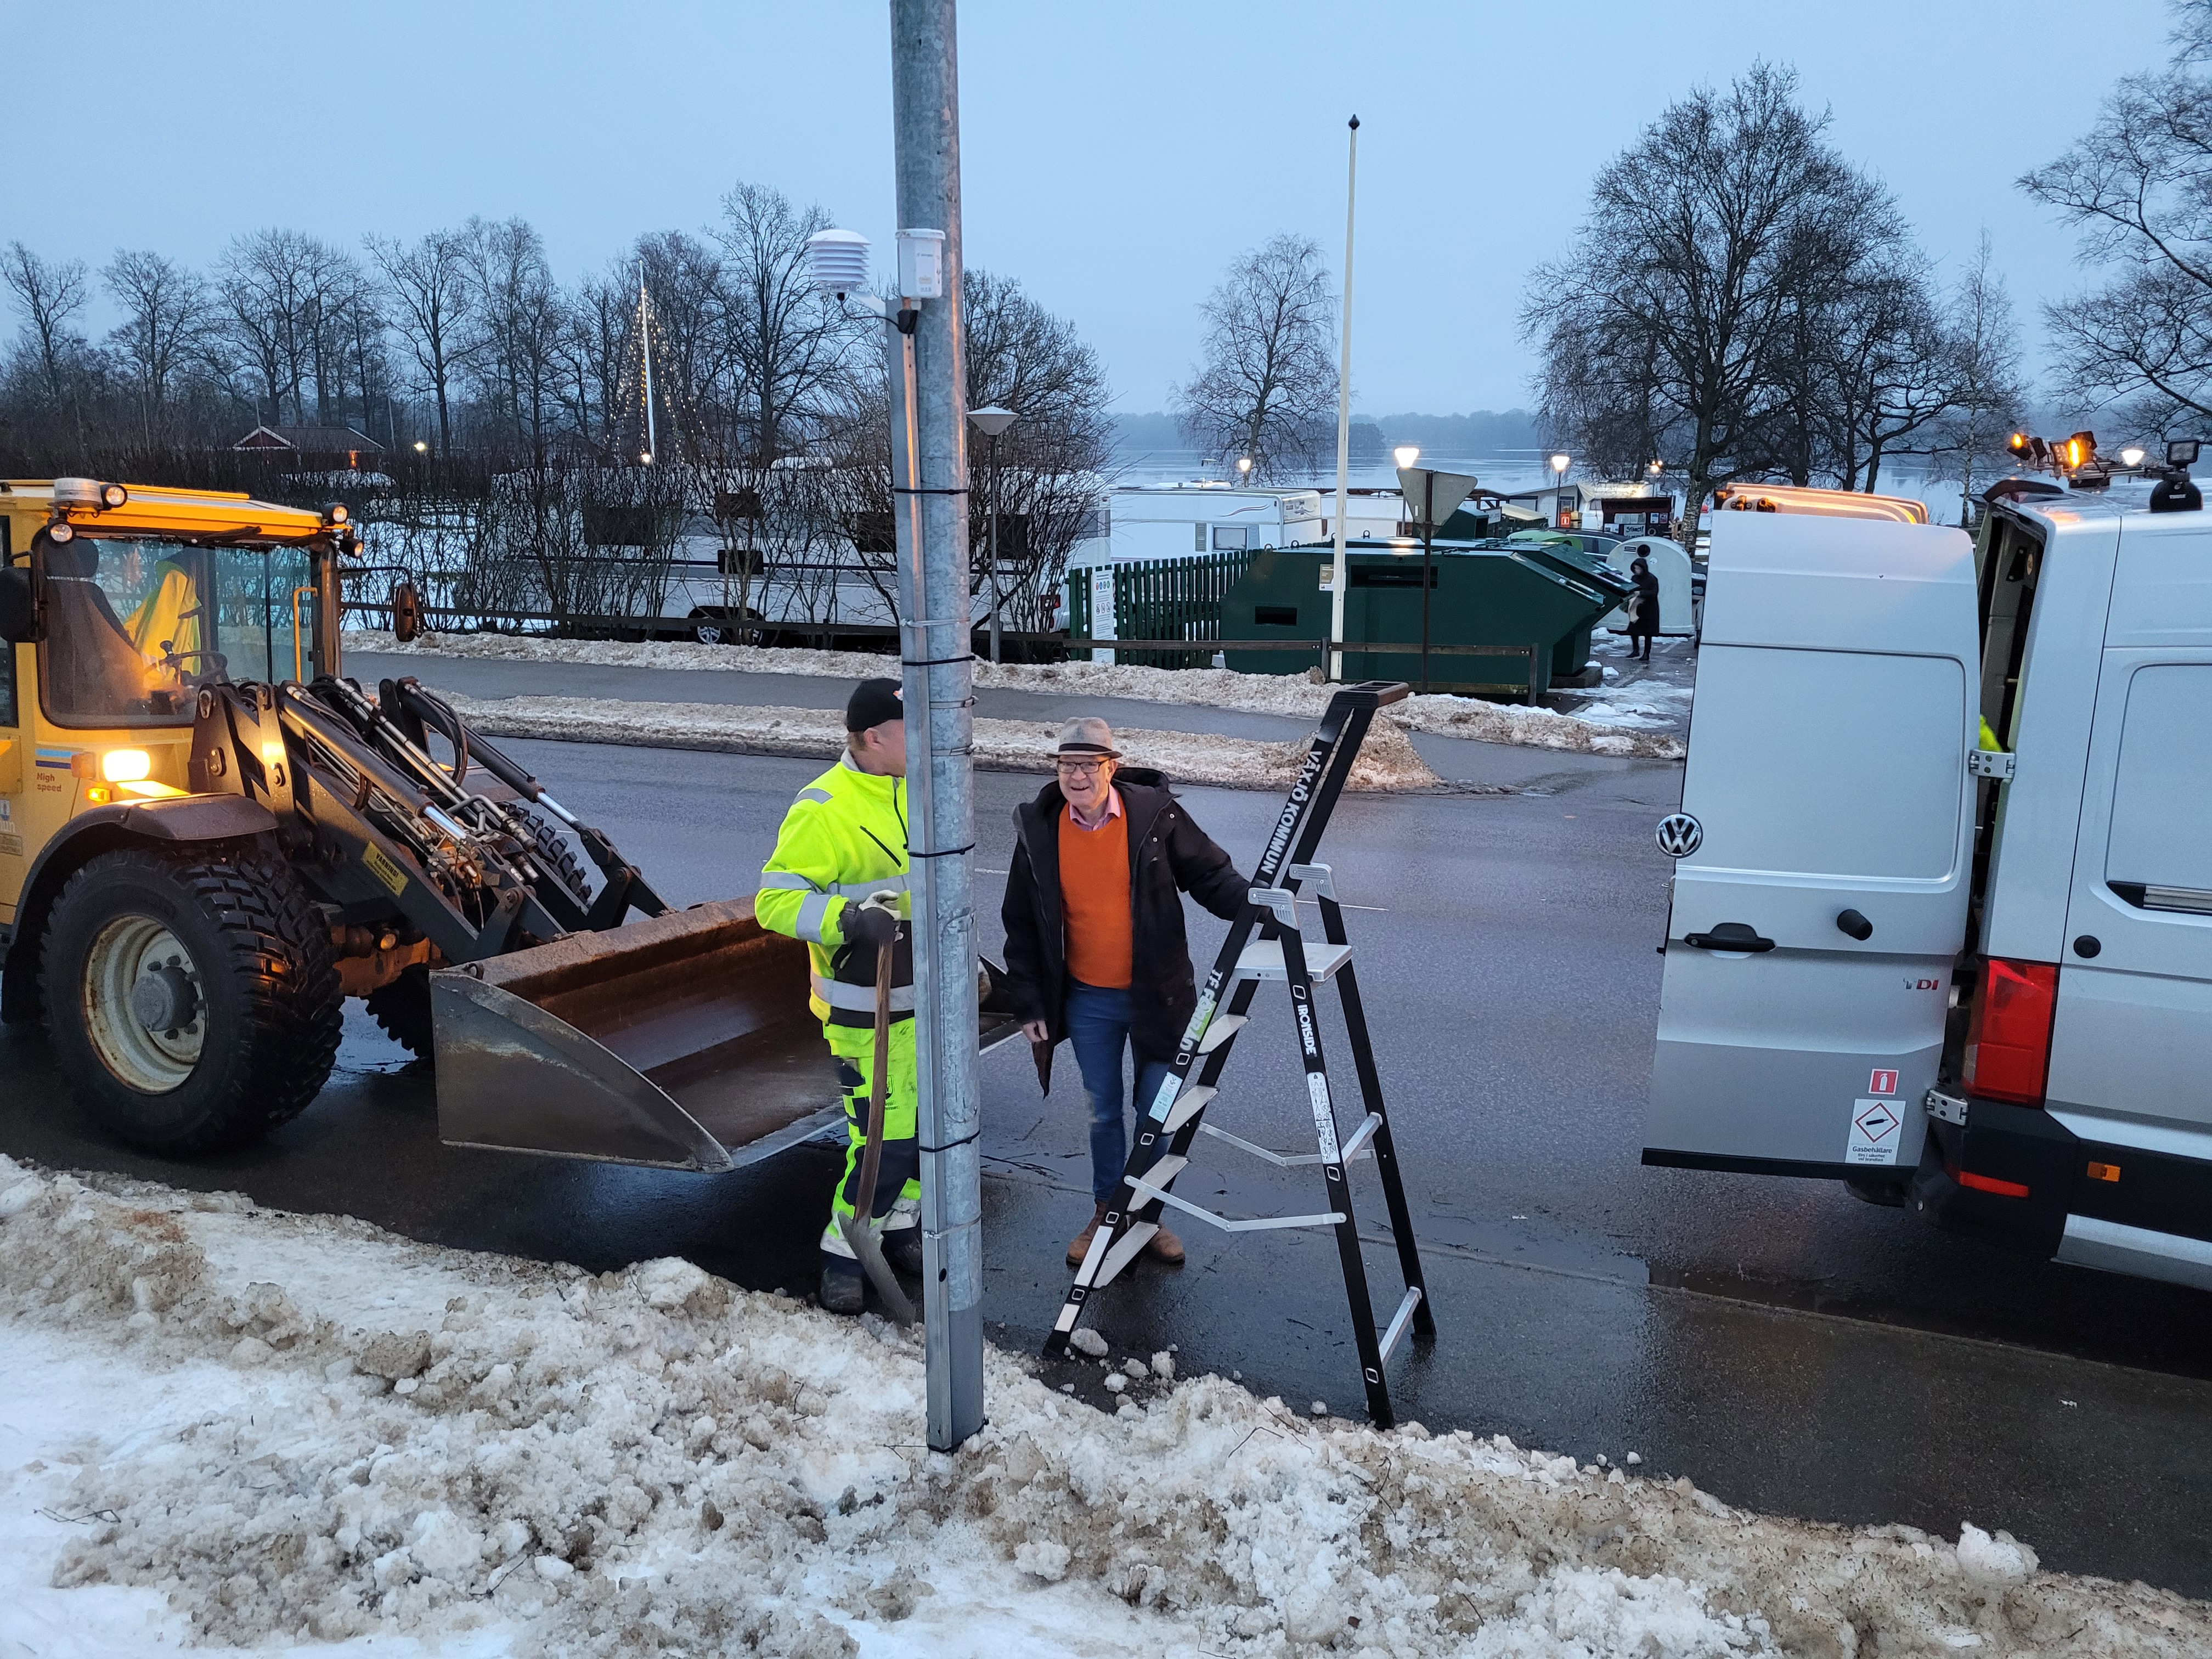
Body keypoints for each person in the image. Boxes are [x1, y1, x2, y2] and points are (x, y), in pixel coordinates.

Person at [1001, 718, 1250, 1267]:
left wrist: (1258, 908)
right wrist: (1030, 1003)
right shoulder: (1040, 829)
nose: (1077, 776)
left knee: (1157, 1113)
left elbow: (1211, 875)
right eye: (1068, 765)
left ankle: (1147, 1214)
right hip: (1088, 1000)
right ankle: (1106, 1213)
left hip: (1158, 997)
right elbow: (1020, 922)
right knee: (1103, 1112)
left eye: (1089, 765)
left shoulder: (1154, 817)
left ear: (1111, 767)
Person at [755, 678, 920, 1315]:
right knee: (883, 1141)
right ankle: (844, 1252)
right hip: (865, 1012)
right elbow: (774, 901)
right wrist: (848, 918)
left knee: (929, 1136)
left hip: (922, 999)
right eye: (913, 729)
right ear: (875, 737)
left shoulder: (912, 788)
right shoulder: (823, 807)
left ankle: (897, 1227)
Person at [1626, 554, 1661, 662]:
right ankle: (1635, 650)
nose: (1636, 571)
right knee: (1633, 630)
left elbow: (1654, 593)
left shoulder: (1652, 579)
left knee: (1648, 633)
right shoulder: (1634, 578)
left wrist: (1641, 593)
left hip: (1649, 610)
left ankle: (1647, 653)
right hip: (1637, 608)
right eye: (1635, 569)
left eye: (1638, 568)